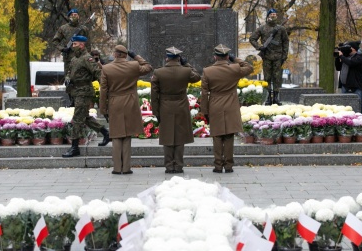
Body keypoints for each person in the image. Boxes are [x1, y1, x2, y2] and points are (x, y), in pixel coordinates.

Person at [99, 45, 153, 175]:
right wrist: (135, 56)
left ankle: (117, 168)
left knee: (116, 136)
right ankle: (126, 168)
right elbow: (148, 67)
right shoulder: (133, 66)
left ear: (115, 54)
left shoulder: (106, 68)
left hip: (114, 103)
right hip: (130, 102)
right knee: (127, 135)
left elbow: (103, 91)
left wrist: (103, 108)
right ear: (125, 54)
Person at [201, 44, 253, 173]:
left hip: (215, 104)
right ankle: (229, 165)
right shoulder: (235, 69)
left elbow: (204, 93)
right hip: (231, 105)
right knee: (229, 135)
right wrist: (236, 60)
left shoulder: (207, 71)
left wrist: (205, 111)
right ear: (227, 56)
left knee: (217, 136)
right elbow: (249, 67)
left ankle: (218, 165)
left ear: (215, 57)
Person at [151, 46, 201, 174]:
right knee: (179, 137)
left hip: (165, 106)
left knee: (167, 136)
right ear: (179, 58)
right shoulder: (186, 71)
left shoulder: (158, 72)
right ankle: (178, 165)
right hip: (181, 106)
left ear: (167, 58)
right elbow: (197, 77)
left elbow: (154, 95)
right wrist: (187, 64)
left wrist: (156, 112)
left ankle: (169, 166)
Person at [62, 35, 110, 158]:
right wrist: (67, 78)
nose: (73, 47)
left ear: (82, 45)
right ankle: (105, 132)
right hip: (75, 91)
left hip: (84, 92)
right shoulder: (74, 59)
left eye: (75, 44)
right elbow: (69, 72)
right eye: (73, 44)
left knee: (77, 118)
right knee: (85, 117)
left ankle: (74, 147)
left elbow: (98, 73)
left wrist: (104, 90)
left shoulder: (87, 58)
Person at [249, 8, 289, 105]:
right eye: (271, 14)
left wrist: (284, 55)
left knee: (277, 78)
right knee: (267, 77)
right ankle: (267, 97)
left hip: (278, 57)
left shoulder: (281, 29)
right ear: (268, 16)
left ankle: (275, 98)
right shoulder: (262, 28)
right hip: (266, 56)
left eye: (275, 14)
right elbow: (252, 38)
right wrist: (259, 47)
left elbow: (286, 42)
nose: (273, 16)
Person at [52, 9, 90, 82]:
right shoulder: (63, 28)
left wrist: (88, 55)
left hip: (81, 57)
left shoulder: (84, 29)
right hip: (68, 58)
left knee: (82, 78)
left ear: (78, 16)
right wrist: (62, 49)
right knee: (69, 79)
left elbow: (88, 44)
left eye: (75, 15)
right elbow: (55, 41)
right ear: (69, 17)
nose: (74, 16)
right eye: (72, 15)